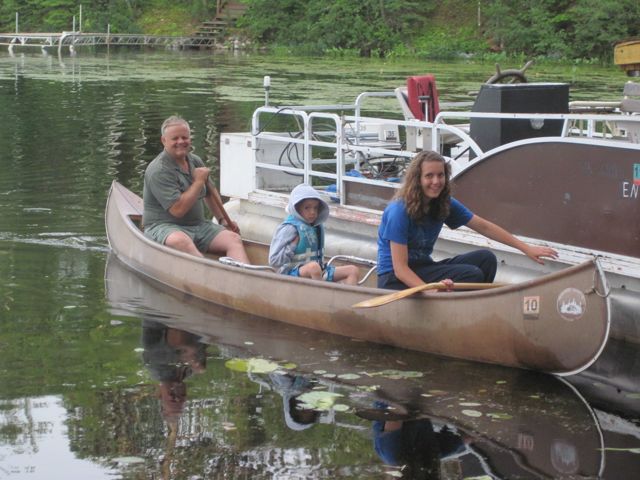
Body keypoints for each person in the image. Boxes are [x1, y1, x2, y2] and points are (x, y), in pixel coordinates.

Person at [377, 151, 558, 290]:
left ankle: (465, 307)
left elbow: (484, 227)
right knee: (471, 274)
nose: (436, 181)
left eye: (441, 175)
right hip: (394, 279)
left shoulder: (443, 203)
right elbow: (400, 269)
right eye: (429, 176)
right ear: (417, 179)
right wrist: (429, 291)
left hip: (424, 267)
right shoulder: (399, 211)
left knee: (486, 259)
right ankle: (454, 311)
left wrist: (526, 248)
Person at [142, 115, 249, 262]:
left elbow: (210, 194)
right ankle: (209, 271)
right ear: (164, 141)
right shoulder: (158, 170)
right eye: (175, 138)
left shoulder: (195, 160)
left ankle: (243, 273)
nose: (181, 141)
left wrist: (223, 220)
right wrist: (198, 182)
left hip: (198, 226)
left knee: (233, 239)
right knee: (181, 241)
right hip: (163, 227)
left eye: (184, 137)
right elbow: (178, 210)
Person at [269, 183, 359, 285]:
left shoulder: (315, 227)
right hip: (291, 273)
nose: (312, 212)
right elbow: (274, 261)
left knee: (353, 270)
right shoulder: (289, 228)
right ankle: (321, 294)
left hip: (318, 271)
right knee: (313, 267)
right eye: (307, 208)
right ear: (296, 209)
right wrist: (292, 247)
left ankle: (346, 295)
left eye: (315, 208)